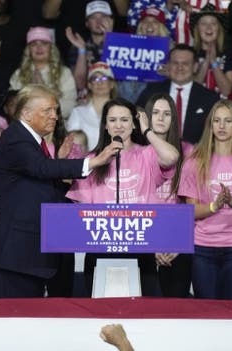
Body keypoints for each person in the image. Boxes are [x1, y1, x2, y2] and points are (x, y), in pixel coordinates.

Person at [0, 84, 121, 298]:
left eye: (55, 110)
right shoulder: (15, 138)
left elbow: (42, 185)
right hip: (14, 252)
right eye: (47, 110)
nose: (54, 116)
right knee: (13, 324)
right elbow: (42, 169)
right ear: (26, 113)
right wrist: (94, 162)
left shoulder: (32, 143)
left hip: (28, 255)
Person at [66, 98, 180, 296]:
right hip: (100, 248)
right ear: (105, 125)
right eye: (112, 120)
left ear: (134, 124)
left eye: (125, 120)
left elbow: (171, 157)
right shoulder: (92, 160)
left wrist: (147, 130)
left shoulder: (147, 154)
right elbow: (80, 211)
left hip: (142, 248)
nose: (118, 125)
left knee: (144, 317)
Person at [178, 100, 232, 299]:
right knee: (206, 315)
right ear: (210, 125)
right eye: (217, 121)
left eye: (228, 121)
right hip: (203, 247)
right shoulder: (194, 161)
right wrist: (215, 205)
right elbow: (190, 212)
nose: (221, 126)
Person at [145, 93, 193, 298]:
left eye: (167, 114)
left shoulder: (188, 151)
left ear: (174, 119)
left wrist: (180, 243)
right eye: (155, 113)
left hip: (178, 242)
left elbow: (193, 202)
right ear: (147, 117)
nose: (161, 118)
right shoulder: (137, 150)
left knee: (176, 313)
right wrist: (151, 246)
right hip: (143, 240)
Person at [137, 44, 220, 144]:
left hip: (196, 156)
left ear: (195, 67)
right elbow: (136, 118)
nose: (179, 68)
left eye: (185, 63)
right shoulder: (151, 91)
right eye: (175, 63)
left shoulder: (210, 98)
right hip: (155, 153)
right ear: (168, 65)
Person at [10, 27, 77, 120]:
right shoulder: (18, 74)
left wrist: (42, 92)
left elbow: (70, 107)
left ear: (51, 48)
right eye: (34, 44)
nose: (39, 47)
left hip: (56, 128)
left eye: (44, 43)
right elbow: (13, 107)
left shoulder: (64, 73)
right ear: (29, 49)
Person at [190, 3, 232, 100]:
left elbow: (226, 90)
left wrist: (214, 62)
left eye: (213, 23)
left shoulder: (230, 52)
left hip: (224, 110)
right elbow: (192, 89)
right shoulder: (190, 54)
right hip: (197, 111)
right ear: (197, 29)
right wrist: (206, 62)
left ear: (219, 28)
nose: (209, 28)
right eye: (203, 24)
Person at [66, 62, 117, 151]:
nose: (99, 83)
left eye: (104, 78)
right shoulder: (78, 112)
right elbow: (71, 146)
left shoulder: (122, 113)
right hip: (85, 162)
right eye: (95, 79)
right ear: (89, 85)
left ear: (112, 84)